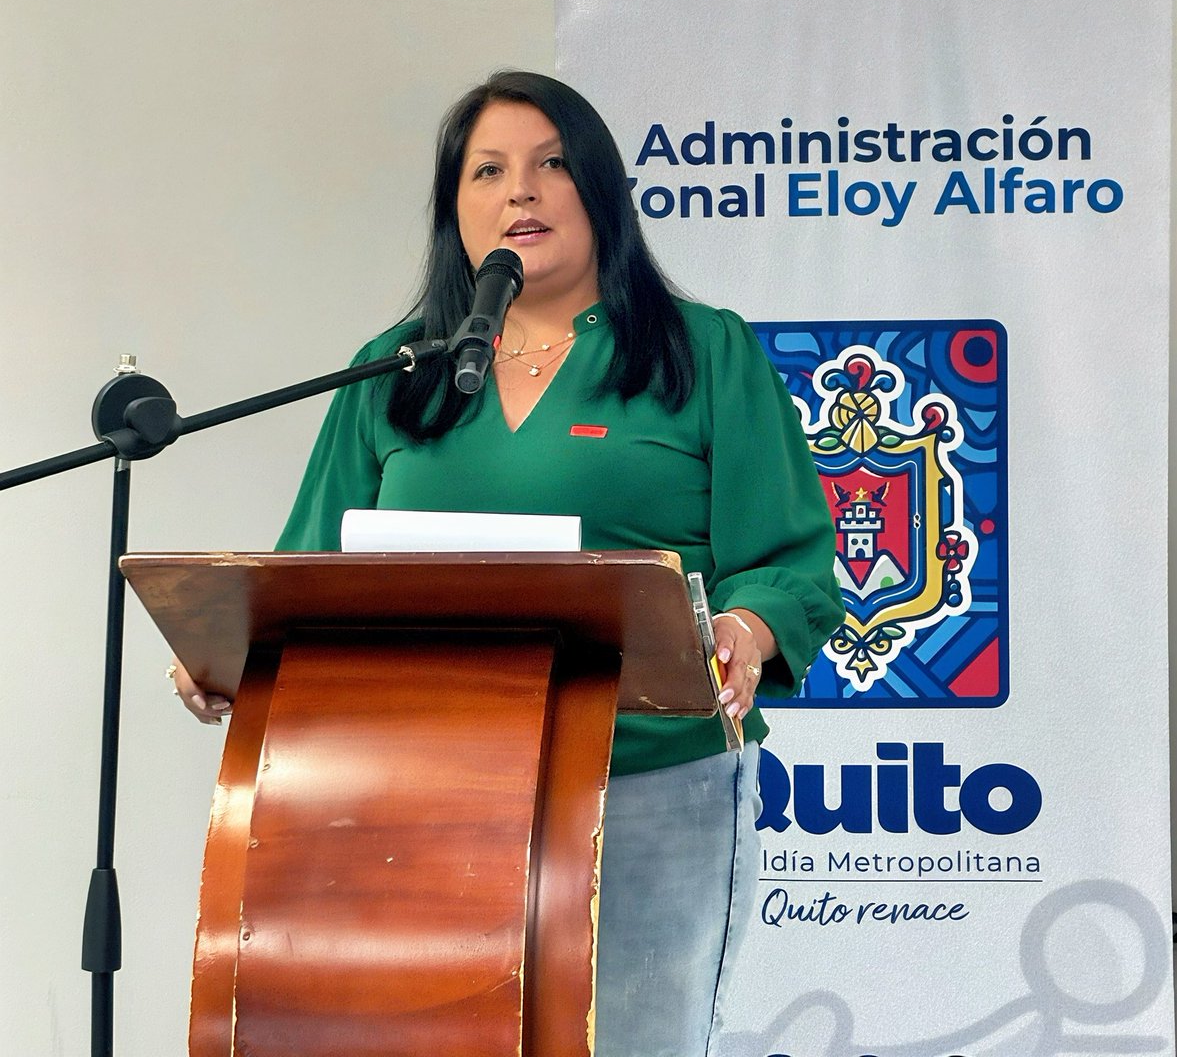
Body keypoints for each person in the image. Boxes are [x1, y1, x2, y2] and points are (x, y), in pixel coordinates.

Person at [171, 70, 844, 1057]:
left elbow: (787, 561)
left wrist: (746, 626)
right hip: (413, 793)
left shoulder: (704, 355)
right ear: (457, 210)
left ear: (602, 193)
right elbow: (309, 571)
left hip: (646, 789)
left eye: (551, 164)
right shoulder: (394, 368)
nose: (519, 191)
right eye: (488, 170)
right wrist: (230, 652)